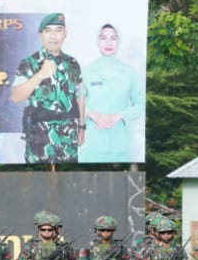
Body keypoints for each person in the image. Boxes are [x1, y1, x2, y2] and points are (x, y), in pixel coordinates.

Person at [9, 12, 84, 165]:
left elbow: (80, 96)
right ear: (40, 35)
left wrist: (82, 126)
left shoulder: (73, 63)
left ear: (65, 34)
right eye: (48, 31)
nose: (53, 36)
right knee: (36, 183)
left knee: (68, 181)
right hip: (40, 141)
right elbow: (16, 96)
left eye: (58, 30)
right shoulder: (29, 63)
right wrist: (39, 75)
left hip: (67, 139)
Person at [78, 23, 142, 163]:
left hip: (121, 146)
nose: (108, 43)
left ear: (119, 42)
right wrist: (93, 114)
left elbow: (140, 105)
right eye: (103, 38)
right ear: (97, 41)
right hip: (91, 145)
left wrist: (118, 116)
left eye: (113, 38)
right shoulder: (85, 72)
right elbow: (73, 103)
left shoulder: (130, 73)